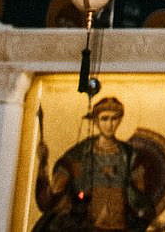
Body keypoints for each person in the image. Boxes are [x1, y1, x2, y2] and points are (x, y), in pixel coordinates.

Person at [33, 96, 158, 232]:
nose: (110, 124)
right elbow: (53, 196)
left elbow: (138, 198)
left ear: (120, 120)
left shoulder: (130, 156)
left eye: (114, 118)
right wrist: (43, 163)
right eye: (104, 118)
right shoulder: (79, 154)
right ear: (96, 121)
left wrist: (147, 215)